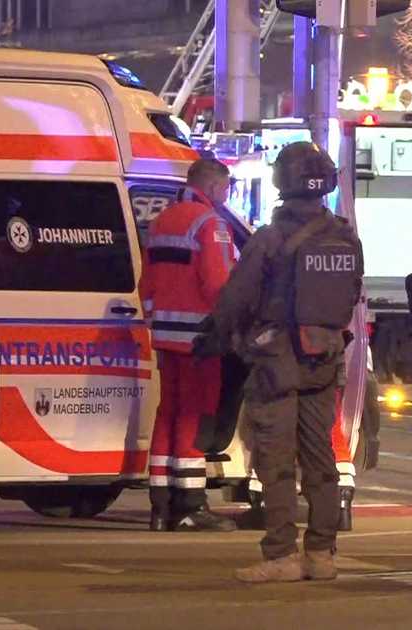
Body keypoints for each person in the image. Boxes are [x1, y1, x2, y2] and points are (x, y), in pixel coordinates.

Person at [210, 142, 364, 583]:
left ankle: (281, 554)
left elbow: (237, 297)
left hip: (277, 360)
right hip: (324, 356)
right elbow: (352, 291)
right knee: (320, 458)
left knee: (275, 459)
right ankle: (321, 553)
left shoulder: (271, 238)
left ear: (283, 181)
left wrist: (221, 334)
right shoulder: (345, 236)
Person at [141, 157, 240, 532]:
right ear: (214, 186)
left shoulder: (162, 220)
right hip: (200, 336)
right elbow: (218, 285)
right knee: (195, 416)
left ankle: (161, 505)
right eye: (227, 187)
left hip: (165, 335)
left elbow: (147, 283)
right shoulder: (210, 224)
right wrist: (232, 324)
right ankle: (190, 505)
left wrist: (155, 320)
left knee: (168, 412)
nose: (227, 194)